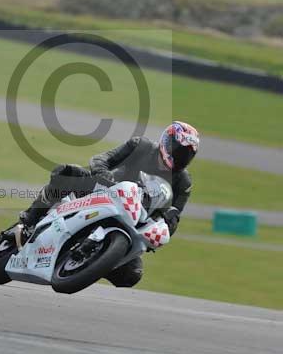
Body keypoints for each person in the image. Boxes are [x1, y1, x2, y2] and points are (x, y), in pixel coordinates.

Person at [18, 121, 199, 287]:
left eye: (187, 155)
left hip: (134, 221)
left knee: (132, 275)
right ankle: (30, 220)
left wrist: (162, 228)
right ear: (167, 142)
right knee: (66, 173)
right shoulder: (140, 146)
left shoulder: (183, 182)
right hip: (105, 192)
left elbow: (173, 218)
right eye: (178, 150)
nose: (181, 156)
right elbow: (101, 159)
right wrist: (104, 174)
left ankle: (93, 263)